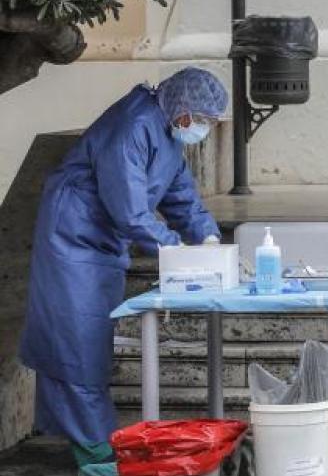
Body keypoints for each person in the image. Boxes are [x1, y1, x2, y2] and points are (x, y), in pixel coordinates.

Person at [20, 67, 229, 470]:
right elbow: (130, 211)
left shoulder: (167, 132)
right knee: (75, 348)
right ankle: (96, 454)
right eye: (201, 120)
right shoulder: (132, 127)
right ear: (183, 110)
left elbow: (180, 194)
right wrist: (177, 252)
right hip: (72, 240)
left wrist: (209, 239)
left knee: (90, 345)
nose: (201, 128)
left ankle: (96, 445)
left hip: (101, 245)